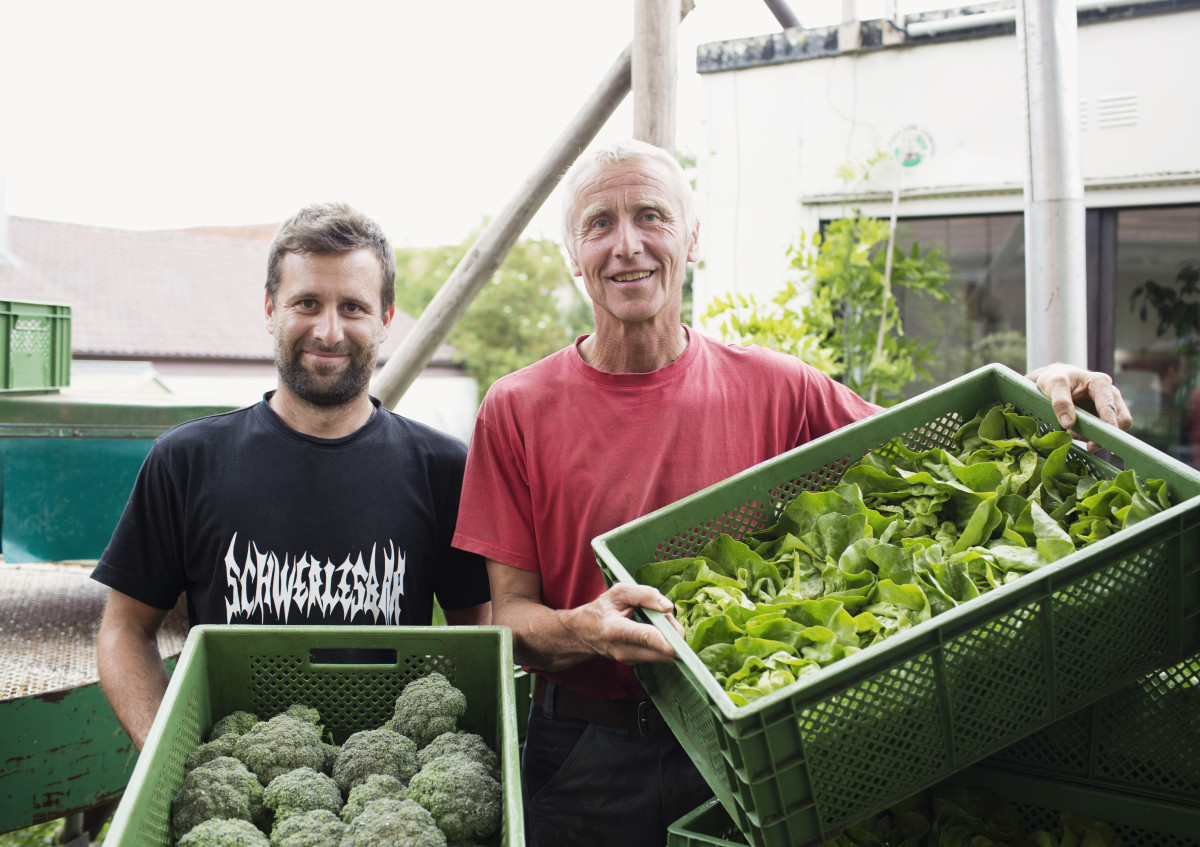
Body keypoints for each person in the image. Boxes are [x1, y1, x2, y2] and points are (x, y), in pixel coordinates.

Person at [450, 139, 1133, 847]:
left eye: (650, 216)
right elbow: (509, 620)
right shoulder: (517, 408)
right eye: (599, 224)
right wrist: (586, 626)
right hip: (585, 746)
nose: (627, 245)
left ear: (691, 236)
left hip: (749, 751)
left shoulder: (778, 388)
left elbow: (941, 446)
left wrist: (1041, 387)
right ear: (573, 254)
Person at [92, 201, 490, 753]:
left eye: (353, 306)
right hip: (237, 784)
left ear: (385, 320)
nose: (329, 331)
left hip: (386, 789)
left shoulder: (443, 468)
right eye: (307, 303)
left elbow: (477, 634)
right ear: (270, 309)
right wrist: (168, 753)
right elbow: (124, 630)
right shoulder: (186, 461)